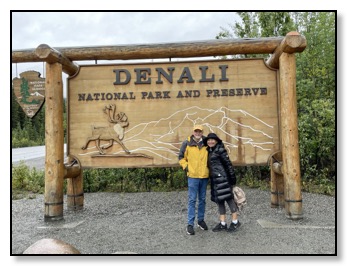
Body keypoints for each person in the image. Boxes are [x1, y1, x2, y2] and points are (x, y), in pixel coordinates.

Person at [203, 133, 241, 233]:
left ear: (216, 141)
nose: (210, 141)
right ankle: (223, 223)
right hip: (215, 180)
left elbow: (228, 165)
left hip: (223, 179)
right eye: (208, 140)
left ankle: (235, 221)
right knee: (219, 201)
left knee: (229, 199)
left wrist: (232, 180)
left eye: (212, 140)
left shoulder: (220, 150)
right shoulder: (209, 151)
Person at [178, 125, 209, 235]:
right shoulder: (187, 143)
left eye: (199, 131)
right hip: (192, 176)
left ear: (202, 132)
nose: (197, 133)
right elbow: (181, 157)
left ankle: (200, 221)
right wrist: (186, 166)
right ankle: (190, 224)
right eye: (196, 131)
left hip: (204, 176)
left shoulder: (207, 143)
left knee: (202, 199)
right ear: (193, 131)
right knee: (192, 200)